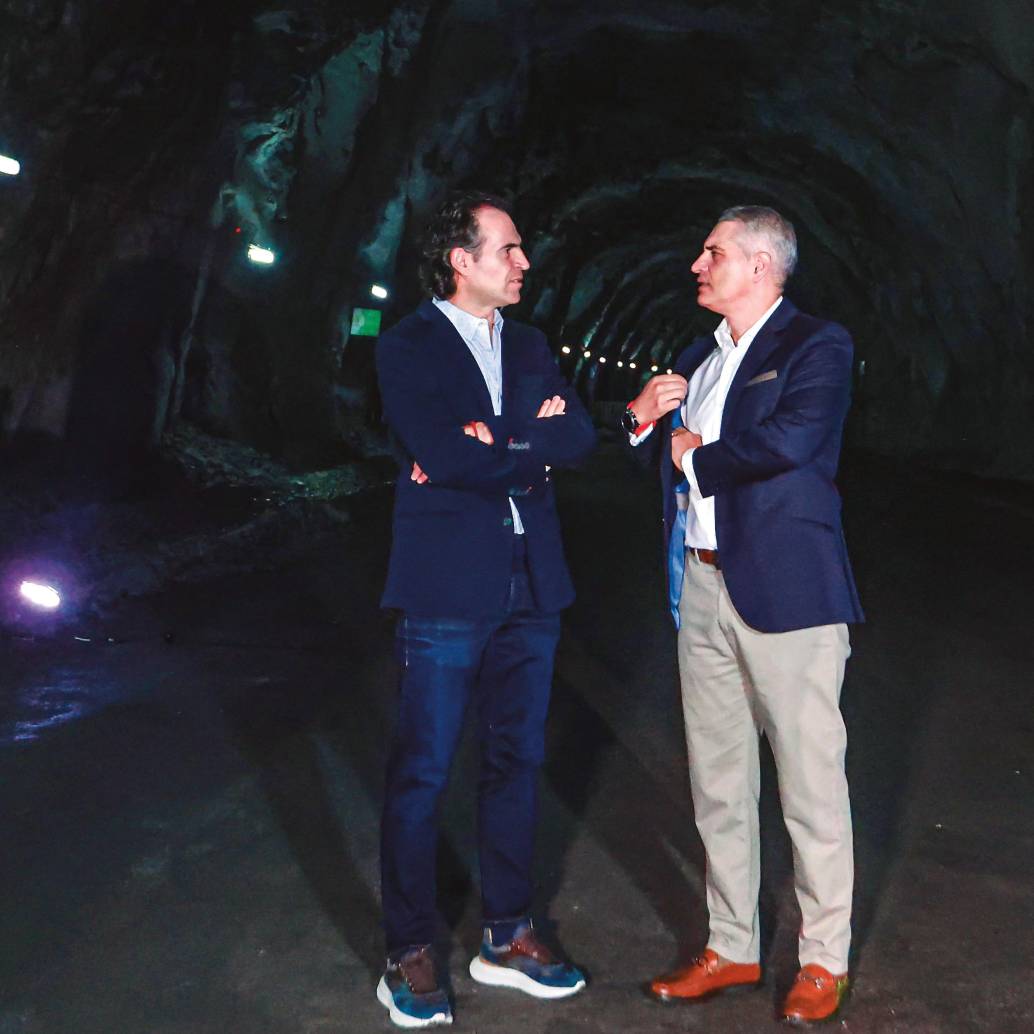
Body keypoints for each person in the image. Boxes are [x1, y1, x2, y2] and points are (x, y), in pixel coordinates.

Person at [624, 206, 864, 1025]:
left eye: (713, 252)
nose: (698, 263)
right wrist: (648, 421)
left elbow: (795, 441)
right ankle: (731, 946)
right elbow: (664, 449)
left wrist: (696, 454)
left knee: (809, 783)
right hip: (701, 588)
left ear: (761, 265)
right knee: (718, 784)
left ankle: (823, 959)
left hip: (789, 595)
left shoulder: (816, 345)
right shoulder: (699, 357)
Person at [374, 191, 595, 1028]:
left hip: (532, 584)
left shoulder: (534, 344)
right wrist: (523, 443)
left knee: (518, 761)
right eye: (509, 248)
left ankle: (506, 934)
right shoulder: (410, 346)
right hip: (445, 586)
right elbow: (436, 451)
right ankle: (410, 948)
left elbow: (576, 435)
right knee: (423, 768)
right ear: (461, 261)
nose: (523, 262)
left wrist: (493, 444)